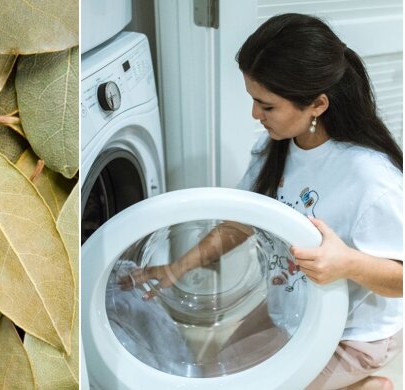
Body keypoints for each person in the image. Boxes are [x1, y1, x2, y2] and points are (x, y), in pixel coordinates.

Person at [122, 13, 403, 390]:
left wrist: (347, 263)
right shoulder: (278, 148)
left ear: (317, 105)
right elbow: (243, 220)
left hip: (353, 333)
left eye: (267, 106)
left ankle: (370, 386)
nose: (255, 115)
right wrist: (178, 267)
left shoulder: (370, 178)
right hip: (292, 306)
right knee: (214, 376)